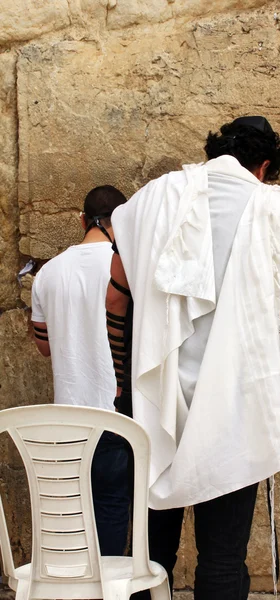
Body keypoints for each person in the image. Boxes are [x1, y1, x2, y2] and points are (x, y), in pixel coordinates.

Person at [106, 116, 280, 599]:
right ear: (265, 165)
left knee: (149, 556)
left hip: (154, 401)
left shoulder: (153, 197)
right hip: (233, 403)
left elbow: (115, 301)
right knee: (223, 556)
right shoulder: (271, 205)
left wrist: (123, 381)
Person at [31, 185, 132, 556]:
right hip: (116, 413)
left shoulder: (48, 273)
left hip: (67, 418)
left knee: (73, 515)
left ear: (80, 219)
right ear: (122, 220)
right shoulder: (126, 266)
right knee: (115, 510)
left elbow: (44, 346)